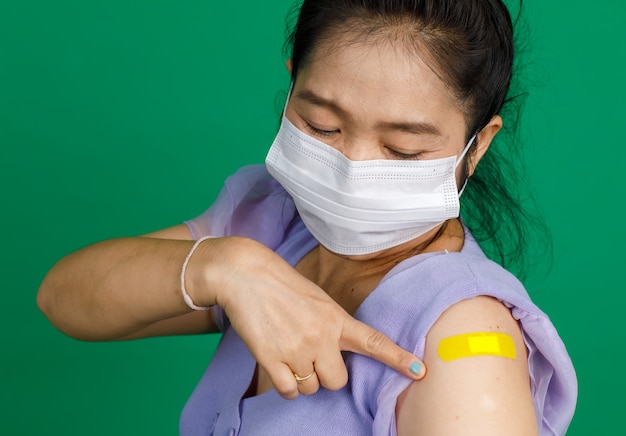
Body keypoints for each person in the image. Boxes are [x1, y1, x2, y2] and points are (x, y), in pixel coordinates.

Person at [37, 0, 577, 434]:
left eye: (403, 150)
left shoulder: (466, 338)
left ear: (476, 147)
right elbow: (62, 299)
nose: (351, 169)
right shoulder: (271, 220)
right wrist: (224, 267)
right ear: (292, 83)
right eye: (321, 125)